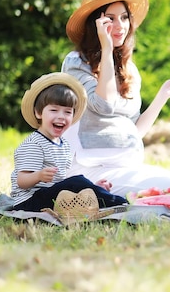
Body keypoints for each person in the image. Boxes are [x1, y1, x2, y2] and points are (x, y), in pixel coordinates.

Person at [61, 0, 170, 198]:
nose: (120, 25)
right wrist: (106, 48)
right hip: (89, 170)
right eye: (111, 19)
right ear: (94, 24)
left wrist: (163, 94)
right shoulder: (75, 63)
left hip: (125, 168)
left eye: (124, 18)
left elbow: (135, 132)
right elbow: (104, 104)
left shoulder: (129, 69)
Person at [11, 72, 128, 212]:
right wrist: (38, 176)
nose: (61, 117)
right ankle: (116, 202)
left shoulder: (64, 145)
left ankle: (97, 194)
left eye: (67, 112)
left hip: (52, 197)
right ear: (38, 113)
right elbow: (21, 181)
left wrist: (91, 187)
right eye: (54, 110)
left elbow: (62, 184)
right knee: (77, 181)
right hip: (29, 202)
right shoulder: (34, 144)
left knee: (77, 183)